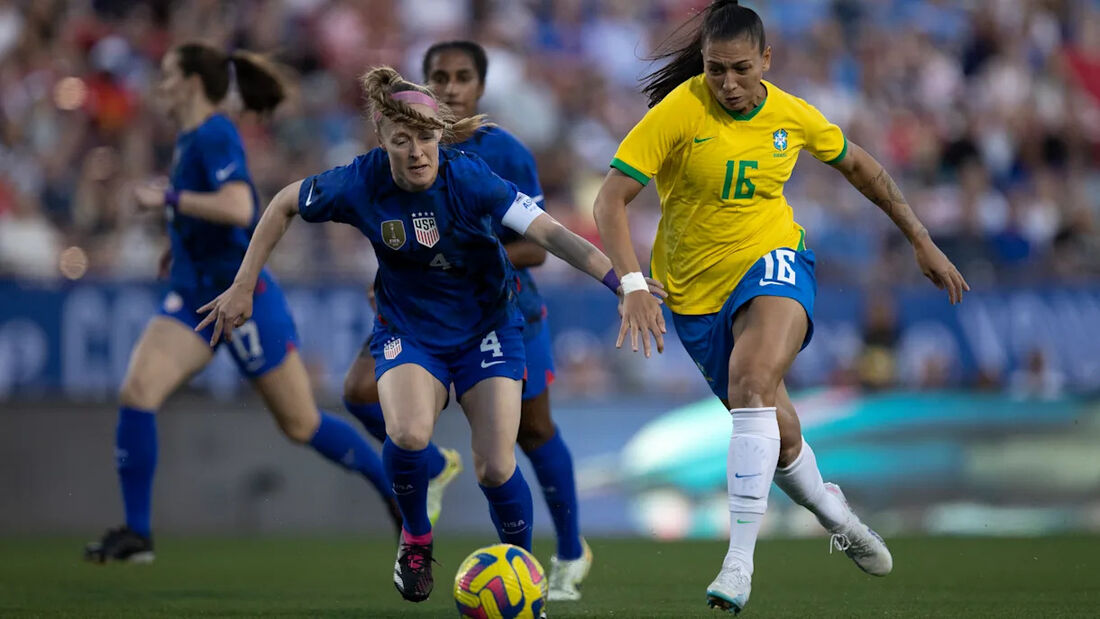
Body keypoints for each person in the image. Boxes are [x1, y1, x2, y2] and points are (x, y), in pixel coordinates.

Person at [196, 66, 663, 603]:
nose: (417, 151)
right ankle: (416, 536)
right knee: (410, 434)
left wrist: (624, 283)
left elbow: (553, 236)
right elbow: (280, 204)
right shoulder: (358, 181)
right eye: (402, 140)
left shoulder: (469, 178)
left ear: (440, 132)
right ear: (382, 140)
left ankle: (521, 570)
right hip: (411, 331)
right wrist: (242, 284)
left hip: (488, 328)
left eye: (425, 136)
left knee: (496, 465)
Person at [592, 1, 969, 613]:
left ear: (767, 59)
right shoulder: (679, 111)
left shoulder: (792, 115)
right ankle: (832, 510)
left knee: (753, 378)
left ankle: (738, 562)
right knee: (780, 431)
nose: (729, 84)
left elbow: (864, 170)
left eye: (741, 69)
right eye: (716, 70)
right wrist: (633, 283)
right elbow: (611, 201)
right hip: (692, 295)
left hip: (773, 260)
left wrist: (920, 239)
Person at [84, 43, 399, 564]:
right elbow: (212, 214)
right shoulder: (190, 138)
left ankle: (394, 489)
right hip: (192, 296)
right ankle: (137, 533)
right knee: (138, 392)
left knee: (302, 425)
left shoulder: (213, 133)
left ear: (189, 82)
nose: (159, 85)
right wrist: (179, 242)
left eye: (166, 73)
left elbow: (239, 207)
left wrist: (166, 199)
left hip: (241, 296)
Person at [339, 40, 592, 602]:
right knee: (359, 392)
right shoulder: (402, 148)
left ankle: (570, 552)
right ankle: (430, 466)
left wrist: (456, 255)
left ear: (479, 87)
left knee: (530, 433)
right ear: (423, 85)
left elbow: (537, 248)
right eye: (438, 77)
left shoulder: (504, 154)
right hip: (417, 308)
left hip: (503, 310)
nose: (450, 88)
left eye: (461, 78)